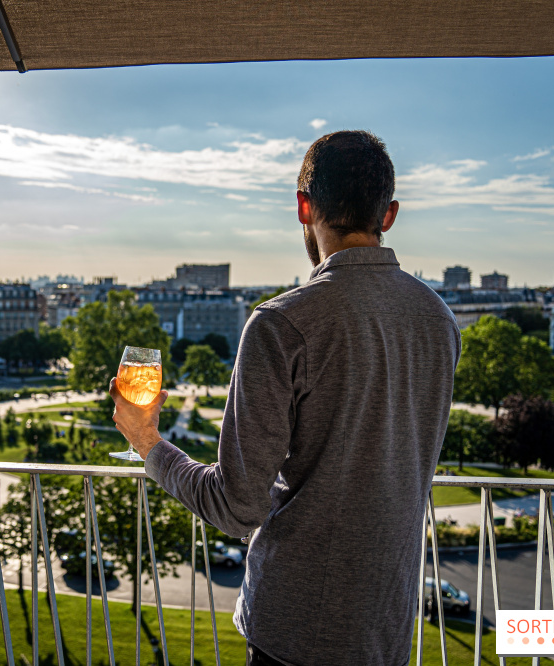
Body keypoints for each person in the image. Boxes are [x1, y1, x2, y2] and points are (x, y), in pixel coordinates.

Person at [110, 130, 461, 665]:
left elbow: (236, 506)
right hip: (386, 624)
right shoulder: (439, 320)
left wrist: (149, 444)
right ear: (388, 216)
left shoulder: (282, 323)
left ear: (303, 206)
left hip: (297, 630)